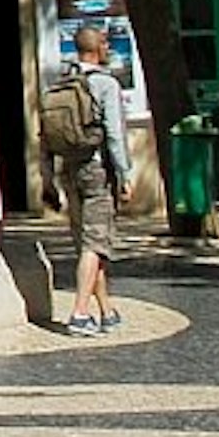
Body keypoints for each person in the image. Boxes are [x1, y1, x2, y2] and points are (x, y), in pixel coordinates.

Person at [66, 18, 131, 333]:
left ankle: (106, 311)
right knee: (94, 243)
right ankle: (79, 313)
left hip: (71, 169)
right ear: (96, 49)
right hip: (97, 169)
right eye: (105, 44)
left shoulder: (63, 81)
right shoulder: (106, 84)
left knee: (90, 240)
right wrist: (125, 173)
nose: (108, 48)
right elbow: (115, 134)